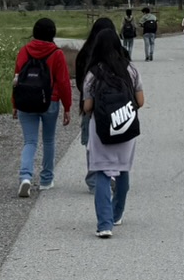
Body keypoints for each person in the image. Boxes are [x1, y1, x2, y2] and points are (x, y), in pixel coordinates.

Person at [79, 30, 144, 238]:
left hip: (101, 130)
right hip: (125, 128)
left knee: (102, 173)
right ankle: (117, 214)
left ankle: (105, 224)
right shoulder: (130, 69)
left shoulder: (93, 73)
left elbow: (88, 107)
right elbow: (140, 101)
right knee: (123, 170)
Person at [11, 16, 73, 199]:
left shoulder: (24, 51)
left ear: (35, 32)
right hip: (50, 102)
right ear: (52, 33)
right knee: (48, 140)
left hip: (26, 102)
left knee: (29, 142)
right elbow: (63, 82)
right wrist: (67, 107)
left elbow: (17, 79)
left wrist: (15, 103)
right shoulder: (57, 53)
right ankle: (46, 180)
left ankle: (25, 177)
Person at [72, 17, 118, 148]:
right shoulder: (120, 55)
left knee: (92, 152)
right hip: (117, 108)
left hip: (90, 107)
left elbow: (80, 83)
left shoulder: (84, 54)